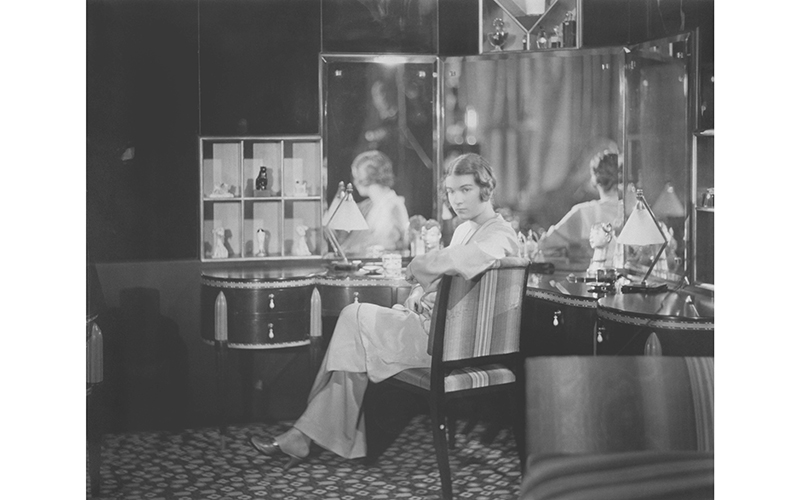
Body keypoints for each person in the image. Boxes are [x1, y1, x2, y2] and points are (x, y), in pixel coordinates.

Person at [250, 153, 520, 466]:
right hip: (431, 327)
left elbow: (457, 263)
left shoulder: (500, 234)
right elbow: (447, 279)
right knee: (353, 336)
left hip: (450, 344)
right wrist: (421, 292)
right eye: (450, 191)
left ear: (485, 189)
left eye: (465, 190)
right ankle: (303, 435)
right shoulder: (464, 230)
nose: (455, 199)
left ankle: (308, 433)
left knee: (353, 318)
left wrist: (420, 265)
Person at [537, 151, 623, 262]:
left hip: (594, 275)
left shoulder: (584, 212)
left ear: (595, 179)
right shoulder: (634, 211)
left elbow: (546, 244)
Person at [338, 150, 410, 257]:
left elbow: (381, 243)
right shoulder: (373, 204)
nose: (354, 182)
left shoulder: (392, 205)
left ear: (364, 177)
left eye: (356, 176)